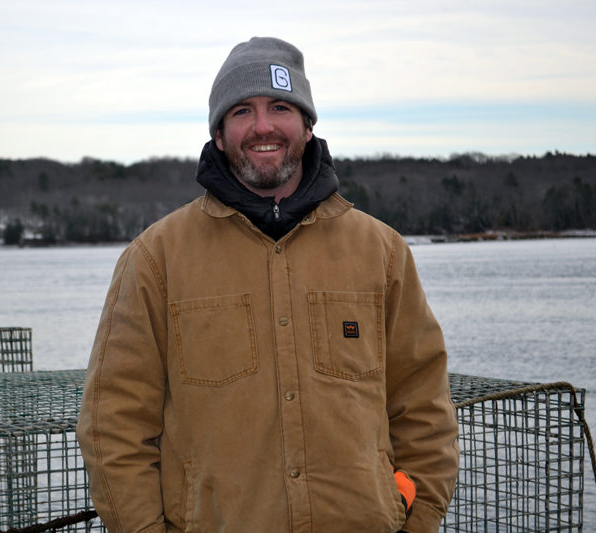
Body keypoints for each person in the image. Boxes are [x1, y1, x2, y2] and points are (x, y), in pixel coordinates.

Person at [76, 36, 459, 533]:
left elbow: (424, 405)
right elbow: (113, 427)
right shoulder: (155, 259)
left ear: (307, 125)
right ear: (219, 134)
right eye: (242, 111)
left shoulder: (382, 252)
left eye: (280, 107)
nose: (262, 127)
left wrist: (420, 518)